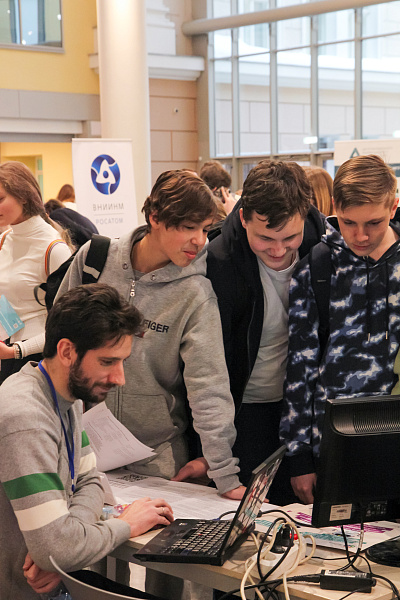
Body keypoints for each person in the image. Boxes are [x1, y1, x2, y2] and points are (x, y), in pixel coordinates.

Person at [57, 169, 243, 499]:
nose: (200, 240)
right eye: (188, 227)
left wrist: (224, 473)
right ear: (155, 217)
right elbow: (58, 343)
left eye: (204, 229)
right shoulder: (94, 260)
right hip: (81, 448)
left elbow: (209, 386)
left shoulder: (195, 292)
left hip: (157, 459)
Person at [0, 283, 173, 600]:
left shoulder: (66, 397)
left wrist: (65, 548)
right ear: (67, 351)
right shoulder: (25, 418)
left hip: (53, 582)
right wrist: (125, 525)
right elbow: (58, 550)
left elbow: (91, 480)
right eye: (107, 362)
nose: (120, 378)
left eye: (122, 362)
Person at [280, 154, 400, 504]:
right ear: (334, 207)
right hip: (332, 445)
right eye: (349, 222)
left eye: (374, 223)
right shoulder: (316, 268)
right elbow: (299, 369)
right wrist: (299, 456)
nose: (360, 235)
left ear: (393, 206)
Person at [206, 160, 325, 506]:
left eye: (289, 237)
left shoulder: (324, 249)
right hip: (242, 413)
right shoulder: (219, 263)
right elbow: (207, 369)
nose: (278, 250)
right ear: (244, 218)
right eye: (265, 238)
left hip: (304, 412)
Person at [0, 161, 72, 383]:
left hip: (36, 360)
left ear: (23, 196)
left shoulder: (54, 249)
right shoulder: (4, 239)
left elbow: (67, 325)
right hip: (6, 352)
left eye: (0, 199)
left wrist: (17, 351)